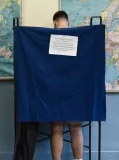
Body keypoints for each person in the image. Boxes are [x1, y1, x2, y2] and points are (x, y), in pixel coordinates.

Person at [51, 10, 84, 160]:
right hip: (76, 91)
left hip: (55, 90)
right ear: (68, 22)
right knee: (76, 130)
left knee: (57, 129)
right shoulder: (81, 38)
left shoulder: (49, 39)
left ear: (54, 23)